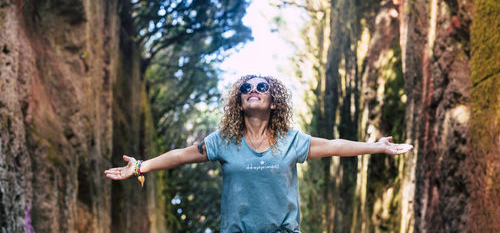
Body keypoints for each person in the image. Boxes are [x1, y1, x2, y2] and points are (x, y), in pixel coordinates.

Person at [105, 75, 413, 232]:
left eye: (262, 86)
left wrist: (377, 146)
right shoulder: (223, 141)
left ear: (273, 101)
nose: (253, 88)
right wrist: (139, 168)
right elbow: (182, 154)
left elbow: (336, 145)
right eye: (246, 88)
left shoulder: (292, 141)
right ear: (239, 103)